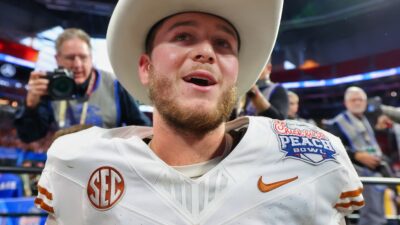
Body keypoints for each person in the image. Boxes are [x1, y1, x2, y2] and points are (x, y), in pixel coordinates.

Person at [35, 0, 364, 224]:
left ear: (237, 74)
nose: (206, 51)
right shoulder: (77, 165)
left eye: (223, 44)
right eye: (183, 36)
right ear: (146, 68)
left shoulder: (313, 162)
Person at [14, 28, 151, 143]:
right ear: (57, 59)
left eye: (83, 57)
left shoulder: (114, 84)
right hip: (65, 166)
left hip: (106, 168)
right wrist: (30, 106)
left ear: (91, 58)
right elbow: (29, 136)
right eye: (70, 58)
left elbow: (144, 129)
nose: (77, 64)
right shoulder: (51, 87)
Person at [329, 86, 387, 225]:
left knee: (378, 211)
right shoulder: (336, 123)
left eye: (360, 99)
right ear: (346, 103)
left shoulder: (367, 119)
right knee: (369, 215)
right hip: (357, 174)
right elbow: (333, 148)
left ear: (365, 102)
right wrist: (357, 155)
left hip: (376, 170)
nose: (357, 103)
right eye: (353, 100)